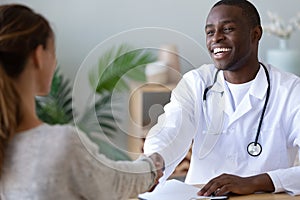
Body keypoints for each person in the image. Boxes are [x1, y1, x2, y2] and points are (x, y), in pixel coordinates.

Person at [0, 4, 164, 200]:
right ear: (38, 56)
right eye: (53, 52)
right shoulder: (60, 146)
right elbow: (114, 182)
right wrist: (151, 168)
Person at [144, 0, 300, 197]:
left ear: (255, 34)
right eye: (210, 32)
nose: (216, 38)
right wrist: (152, 164)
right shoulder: (196, 83)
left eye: (227, 29)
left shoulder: (290, 90)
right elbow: (169, 131)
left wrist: (255, 182)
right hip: (200, 196)